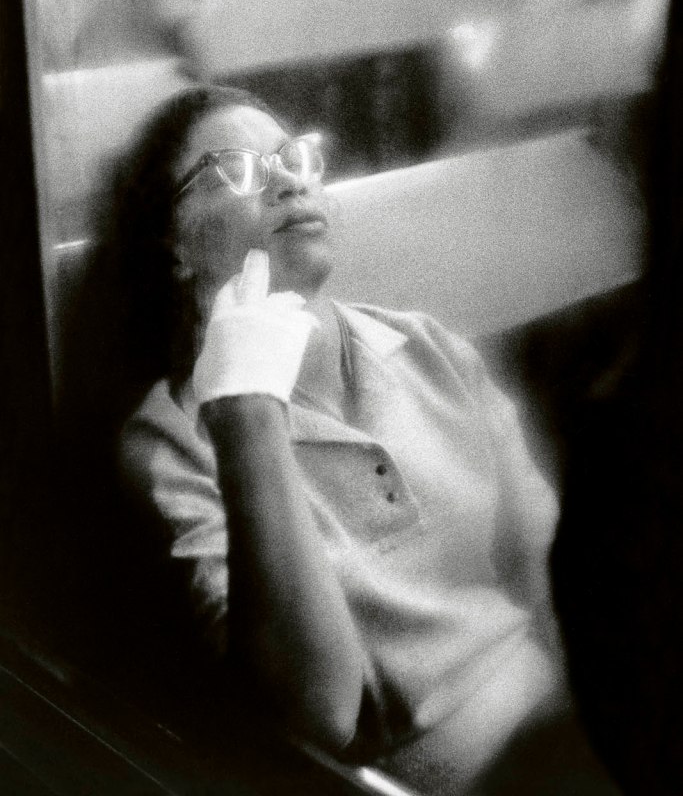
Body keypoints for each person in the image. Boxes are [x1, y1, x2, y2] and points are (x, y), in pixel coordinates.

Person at [117, 83, 615, 796]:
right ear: (173, 244)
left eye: (294, 157)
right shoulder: (172, 442)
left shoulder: (425, 345)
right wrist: (248, 406)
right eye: (236, 168)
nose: (289, 177)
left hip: (572, 730)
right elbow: (321, 710)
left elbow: (552, 575)